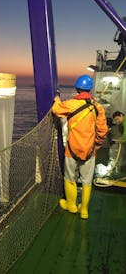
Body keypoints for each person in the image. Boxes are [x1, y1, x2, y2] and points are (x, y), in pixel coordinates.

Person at [52, 74, 108, 219]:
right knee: (87, 181)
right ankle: (84, 210)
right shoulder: (98, 107)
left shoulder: (71, 104)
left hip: (72, 150)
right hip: (90, 150)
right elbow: (102, 131)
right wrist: (97, 146)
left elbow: (57, 110)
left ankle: (71, 205)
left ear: (77, 88)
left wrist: (57, 100)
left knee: (70, 177)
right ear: (90, 90)